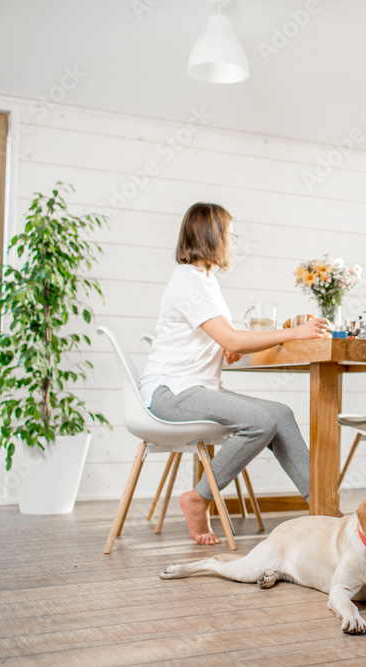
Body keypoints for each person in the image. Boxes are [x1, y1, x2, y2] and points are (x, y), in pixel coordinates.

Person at [138, 202, 328, 546]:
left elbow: (221, 336)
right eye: (230, 233)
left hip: (193, 388)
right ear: (212, 236)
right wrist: (292, 334)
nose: (233, 241)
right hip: (172, 393)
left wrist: (224, 344)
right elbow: (230, 335)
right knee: (260, 421)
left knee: (280, 415)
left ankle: (324, 511)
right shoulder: (191, 283)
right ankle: (199, 497)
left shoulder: (203, 281)